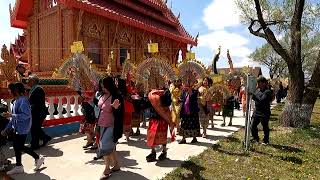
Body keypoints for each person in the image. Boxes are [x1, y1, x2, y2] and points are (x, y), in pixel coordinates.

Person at [1, 82, 45, 175]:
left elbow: (26, 115)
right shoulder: (15, 101)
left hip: (23, 128)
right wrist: (6, 129)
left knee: (19, 146)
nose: (9, 91)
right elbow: (13, 118)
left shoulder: (23, 101)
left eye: (10, 89)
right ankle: (19, 166)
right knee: (17, 147)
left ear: (16, 91)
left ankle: (37, 158)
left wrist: (11, 115)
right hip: (17, 128)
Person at [97, 77, 123, 179]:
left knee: (104, 146)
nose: (103, 88)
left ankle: (107, 168)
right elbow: (99, 107)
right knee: (110, 147)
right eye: (102, 86)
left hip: (112, 125)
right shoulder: (102, 95)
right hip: (101, 124)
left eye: (105, 86)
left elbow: (120, 113)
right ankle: (116, 165)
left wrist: (117, 108)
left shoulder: (117, 96)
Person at [146, 88, 173, 162]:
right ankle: (153, 152)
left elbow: (168, 103)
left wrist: (161, 96)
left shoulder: (166, 92)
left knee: (162, 136)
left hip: (162, 118)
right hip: (153, 117)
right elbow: (148, 104)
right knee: (151, 136)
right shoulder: (151, 93)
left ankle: (164, 151)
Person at [27, 74, 51, 150]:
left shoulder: (38, 89)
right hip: (35, 112)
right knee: (35, 128)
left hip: (38, 112)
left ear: (33, 81)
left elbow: (38, 103)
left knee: (34, 128)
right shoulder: (33, 89)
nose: (28, 82)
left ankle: (35, 144)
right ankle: (45, 138)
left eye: (29, 80)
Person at [250, 76, 273, 145]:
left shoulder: (268, 92)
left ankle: (266, 140)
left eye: (259, 83)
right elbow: (256, 98)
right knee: (252, 126)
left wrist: (253, 95)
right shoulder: (258, 91)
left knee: (265, 127)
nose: (257, 85)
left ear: (264, 83)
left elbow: (261, 101)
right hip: (256, 112)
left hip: (264, 113)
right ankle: (255, 138)